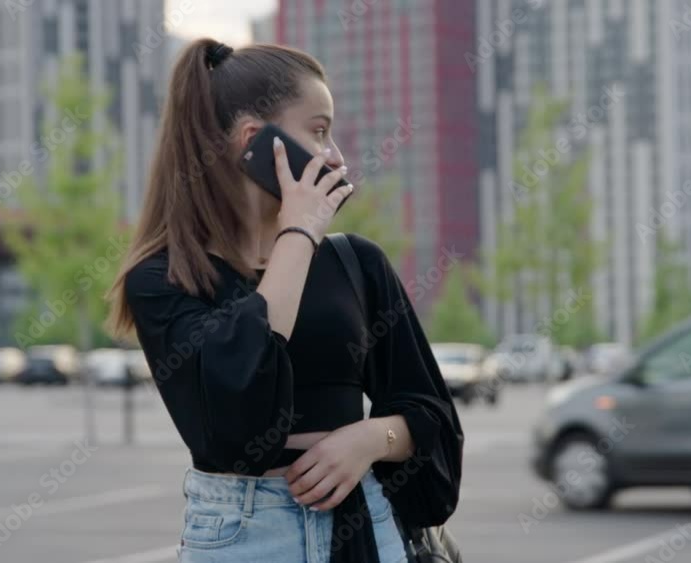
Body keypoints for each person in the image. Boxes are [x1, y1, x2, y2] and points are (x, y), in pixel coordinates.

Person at [106, 38, 463, 563]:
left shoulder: (355, 263)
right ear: (256, 140)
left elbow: (432, 411)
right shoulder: (164, 278)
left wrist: (369, 439)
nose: (336, 155)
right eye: (318, 131)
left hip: (365, 522)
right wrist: (298, 232)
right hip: (242, 533)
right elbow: (238, 411)